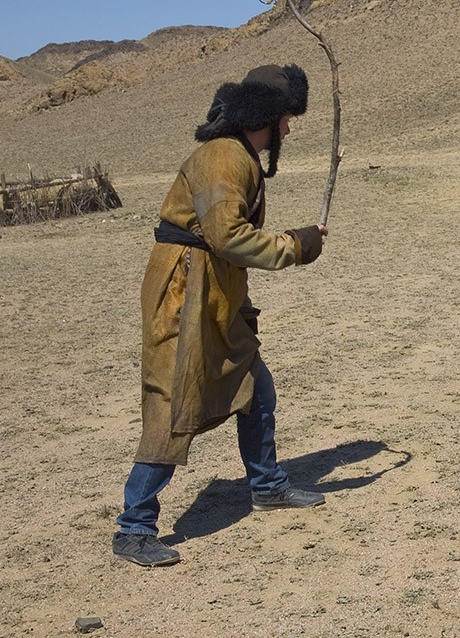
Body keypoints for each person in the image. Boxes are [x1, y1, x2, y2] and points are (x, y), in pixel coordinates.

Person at [113, 64, 329, 567]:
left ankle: (268, 487)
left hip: (215, 290)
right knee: (172, 403)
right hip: (185, 293)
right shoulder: (222, 158)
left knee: (256, 388)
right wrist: (296, 245)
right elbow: (226, 236)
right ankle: (134, 527)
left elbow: (225, 245)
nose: (290, 130)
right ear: (268, 117)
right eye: (287, 119)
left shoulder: (240, 156)